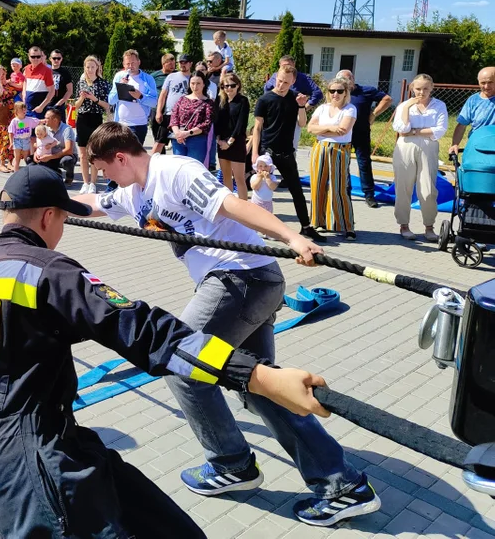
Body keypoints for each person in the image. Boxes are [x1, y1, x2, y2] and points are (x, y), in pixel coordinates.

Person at [0, 164, 336, 538]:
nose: (62, 231)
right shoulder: (48, 270)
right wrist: (258, 376)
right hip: (41, 471)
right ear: (47, 217)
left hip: (15, 454)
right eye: (62, 220)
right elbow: (142, 329)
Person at [78, 123, 380, 527]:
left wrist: (292, 237)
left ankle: (231, 463)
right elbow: (93, 204)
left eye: (104, 169)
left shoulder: (176, 172)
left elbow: (234, 205)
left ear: (120, 158)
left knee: (181, 363)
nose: (104, 177)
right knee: (259, 387)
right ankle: (342, 485)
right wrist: (36, 200)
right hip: (240, 283)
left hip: (242, 279)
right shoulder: (133, 191)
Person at [251, 65, 325, 242]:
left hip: (286, 152)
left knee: (296, 190)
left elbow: (302, 123)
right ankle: (257, 227)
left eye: (286, 82)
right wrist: (254, 152)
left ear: (293, 81)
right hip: (267, 152)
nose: (281, 85)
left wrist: (301, 106)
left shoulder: (295, 98)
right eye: (279, 80)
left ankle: (306, 227)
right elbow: (257, 127)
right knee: (262, 190)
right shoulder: (265, 99)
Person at [392, 74, 448, 241]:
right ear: (412, 88)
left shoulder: (439, 105)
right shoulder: (404, 105)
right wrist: (408, 108)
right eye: (418, 88)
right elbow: (402, 128)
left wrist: (415, 132)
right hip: (405, 147)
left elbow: (440, 129)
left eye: (425, 88)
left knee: (428, 189)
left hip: (428, 147)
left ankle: (429, 226)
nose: (421, 92)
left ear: (432, 88)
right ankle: (404, 225)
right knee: (403, 187)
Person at [306, 77, 358, 240]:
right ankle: (318, 222)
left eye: (339, 91)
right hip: (319, 148)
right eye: (332, 91)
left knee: (339, 187)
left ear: (346, 93)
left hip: (339, 149)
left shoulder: (350, 109)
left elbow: (343, 129)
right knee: (317, 185)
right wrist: (330, 128)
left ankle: (347, 226)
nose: (335, 94)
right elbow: (310, 128)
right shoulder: (322, 108)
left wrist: (322, 130)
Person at [333, 70, 393, 208]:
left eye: (347, 80)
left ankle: (369, 194)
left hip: (361, 132)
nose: (345, 83)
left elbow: (387, 99)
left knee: (364, 163)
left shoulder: (366, 91)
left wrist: (374, 114)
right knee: (343, 163)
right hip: (343, 133)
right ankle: (345, 192)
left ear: (353, 79)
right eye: (341, 80)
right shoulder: (338, 92)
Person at [265, 55, 323, 151]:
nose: (287, 68)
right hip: (276, 115)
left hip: (292, 117)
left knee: (290, 148)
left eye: (290, 66)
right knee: (271, 147)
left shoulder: (302, 78)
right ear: (279, 66)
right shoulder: (275, 76)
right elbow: (267, 91)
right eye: (284, 66)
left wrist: (304, 108)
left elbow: (317, 93)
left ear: (294, 65)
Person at [74, 55, 112, 194]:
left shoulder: (103, 83)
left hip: (95, 118)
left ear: (97, 67)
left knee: (94, 153)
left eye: (92, 67)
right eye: (87, 67)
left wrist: (94, 99)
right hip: (82, 118)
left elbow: (107, 105)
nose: (90, 70)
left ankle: (93, 183)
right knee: (83, 154)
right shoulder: (81, 82)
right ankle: (85, 182)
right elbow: (76, 106)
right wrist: (82, 98)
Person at [108, 49, 158, 145]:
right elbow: (111, 100)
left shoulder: (148, 79)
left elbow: (154, 102)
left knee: (135, 156)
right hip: (122, 124)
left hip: (139, 124)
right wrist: (120, 87)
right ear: (123, 64)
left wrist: (141, 96)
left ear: (139, 62)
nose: (130, 66)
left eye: (133, 63)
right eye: (128, 64)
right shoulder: (119, 77)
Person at [215, 71, 250, 200]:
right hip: (222, 143)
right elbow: (216, 121)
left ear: (238, 86)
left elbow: (241, 124)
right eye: (225, 86)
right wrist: (219, 140)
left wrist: (229, 142)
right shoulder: (220, 100)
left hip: (236, 142)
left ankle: (244, 209)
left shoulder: (243, 101)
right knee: (226, 176)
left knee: (239, 178)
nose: (229, 88)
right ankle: (230, 208)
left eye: (232, 85)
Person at [169, 71, 214, 163]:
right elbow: (174, 117)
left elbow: (206, 124)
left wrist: (187, 133)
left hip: (197, 140)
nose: (195, 86)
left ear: (204, 84)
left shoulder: (208, 103)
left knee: (193, 168)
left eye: (198, 83)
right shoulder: (182, 99)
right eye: (192, 83)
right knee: (178, 168)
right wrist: (178, 133)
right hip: (179, 139)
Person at [450, 66, 495, 156]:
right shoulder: (473, 100)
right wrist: (455, 144)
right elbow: (462, 125)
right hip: (477, 145)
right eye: (483, 83)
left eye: (490, 82)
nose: (486, 86)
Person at [30, 108, 78, 186]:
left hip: (64, 155)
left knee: (67, 161)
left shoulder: (67, 129)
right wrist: (36, 153)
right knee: (30, 159)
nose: (44, 120)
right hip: (49, 155)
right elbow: (40, 143)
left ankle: (69, 177)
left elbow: (69, 150)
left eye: (47, 118)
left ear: (55, 120)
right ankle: (55, 172)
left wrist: (50, 157)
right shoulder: (46, 129)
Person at [150, 53, 177, 154]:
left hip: (171, 111)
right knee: (157, 136)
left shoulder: (176, 75)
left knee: (169, 136)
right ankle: (161, 157)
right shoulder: (155, 76)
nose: (172, 66)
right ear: (163, 64)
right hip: (156, 109)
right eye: (170, 64)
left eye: (174, 64)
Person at [22, 46, 55, 119]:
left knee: (38, 130)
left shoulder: (47, 71)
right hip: (27, 109)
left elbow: (52, 92)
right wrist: (24, 95)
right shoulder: (27, 69)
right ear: (29, 56)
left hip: (39, 111)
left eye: (38, 56)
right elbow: (25, 82)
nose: (36, 59)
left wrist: (41, 107)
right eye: (33, 56)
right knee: (23, 128)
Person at [7, 101, 39, 172]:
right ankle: (16, 172)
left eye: (25, 109)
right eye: (22, 109)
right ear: (16, 111)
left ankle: (28, 171)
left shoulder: (29, 119)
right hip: (17, 140)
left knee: (26, 157)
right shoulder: (14, 121)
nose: (24, 111)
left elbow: (38, 121)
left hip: (26, 140)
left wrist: (45, 120)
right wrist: (11, 142)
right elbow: (11, 132)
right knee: (17, 157)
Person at [49, 49, 74, 117]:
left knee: (61, 127)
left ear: (61, 59)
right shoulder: (46, 72)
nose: (56, 60)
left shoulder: (65, 73)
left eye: (58, 58)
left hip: (59, 106)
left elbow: (70, 90)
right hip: (46, 104)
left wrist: (60, 103)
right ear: (50, 59)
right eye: (54, 58)